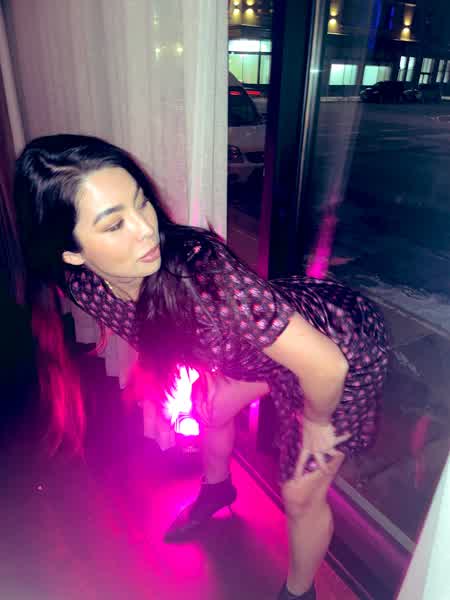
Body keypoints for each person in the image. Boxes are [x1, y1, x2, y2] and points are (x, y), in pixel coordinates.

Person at [13, 134, 388, 600]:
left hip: (342, 346)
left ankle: (299, 592)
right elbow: (162, 328)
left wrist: (315, 421)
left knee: (299, 493)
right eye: (115, 224)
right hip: (267, 351)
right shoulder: (85, 286)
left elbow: (326, 366)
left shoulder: (205, 279)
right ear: (72, 253)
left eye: (141, 202)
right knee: (209, 408)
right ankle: (218, 490)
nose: (147, 230)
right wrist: (210, 367)